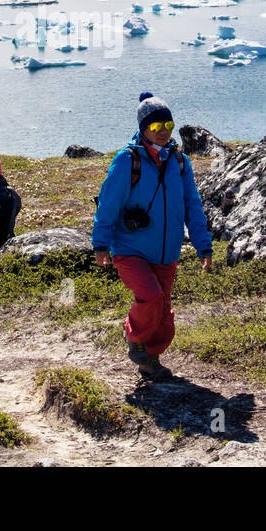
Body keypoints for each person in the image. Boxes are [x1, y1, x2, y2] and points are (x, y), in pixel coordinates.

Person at [92, 92, 213, 381]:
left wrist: (203, 244)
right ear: (144, 128)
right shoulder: (127, 160)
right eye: (156, 128)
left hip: (167, 251)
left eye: (168, 126)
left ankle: (150, 361)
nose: (164, 133)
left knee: (163, 308)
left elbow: (192, 205)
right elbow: (108, 203)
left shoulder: (180, 162)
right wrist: (101, 243)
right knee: (150, 296)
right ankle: (133, 336)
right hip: (130, 248)